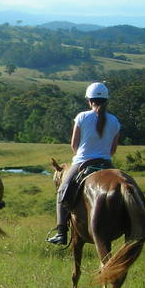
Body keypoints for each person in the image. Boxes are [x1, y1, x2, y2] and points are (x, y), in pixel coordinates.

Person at [46, 82, 120, 245]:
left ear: (89, 100)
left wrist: (83, 154)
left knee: (62, 192)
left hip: (83, 163)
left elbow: (74, 145)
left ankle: (61, 233)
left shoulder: (81, 117)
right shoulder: (114, 120)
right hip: (107, 164)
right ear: (106, 100)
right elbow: (113, 149)